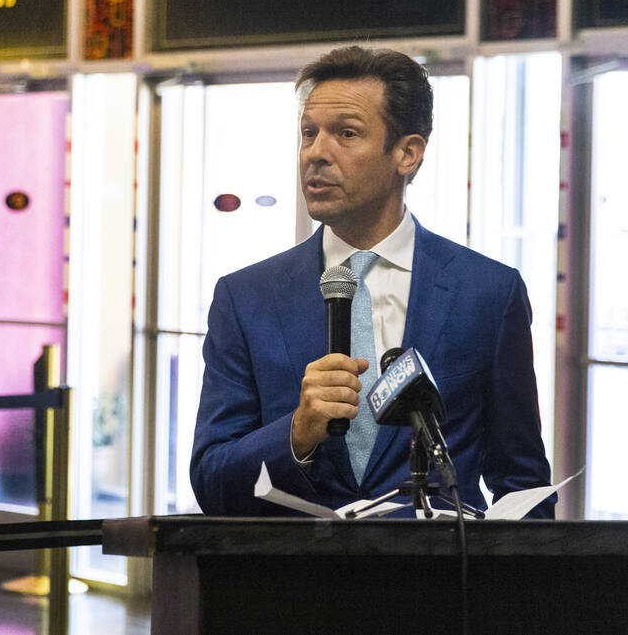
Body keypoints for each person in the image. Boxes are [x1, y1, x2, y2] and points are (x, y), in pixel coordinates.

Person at [190, 45, 554, 517]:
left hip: (435, 582)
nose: (316, 153)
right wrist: (297, 433)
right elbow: (210, 478)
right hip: (289, 583)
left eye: (346, 133)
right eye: (308, 134)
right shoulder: (245, 298)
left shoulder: (486, 292)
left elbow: (522, 483)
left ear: (407, 153)